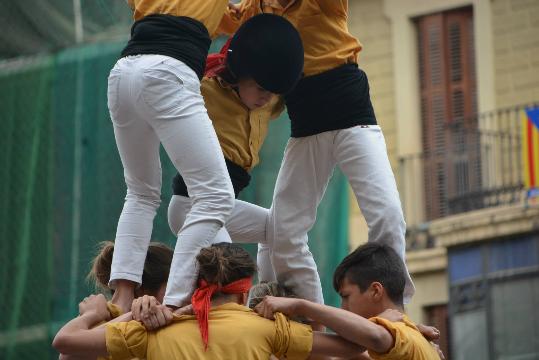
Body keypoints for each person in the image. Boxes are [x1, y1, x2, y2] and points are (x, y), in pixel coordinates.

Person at [109, 2, 304, 312]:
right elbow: (240, 21)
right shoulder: (214, 84)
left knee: (141, 193)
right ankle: (174, 303)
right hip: (168, 69)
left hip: (125, 71)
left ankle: (121, 297)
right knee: (215, 196)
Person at [220, 0, 415, 305]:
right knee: (283, 230)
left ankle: (394, 306)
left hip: (354, 121)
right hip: (307, 130)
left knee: (387, 215)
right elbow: (217, 16)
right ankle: (309, 318)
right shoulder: (256, 9)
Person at [168, 12, 305, 283]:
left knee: (277, 228)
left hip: (224, 206)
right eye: (259, 87)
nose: (265, 97)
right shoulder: (206, 90)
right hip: (191, 205)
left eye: (272, 91)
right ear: (239, 74)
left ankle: (266, 296)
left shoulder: (270, 102)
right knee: (230, 268)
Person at [53, 243, 364, 360]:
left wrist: (98, 314)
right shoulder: (269, 330)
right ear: (244, 293)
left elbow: (67, 343)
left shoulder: (147, 334)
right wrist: (303, 308)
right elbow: (358, 344)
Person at [255, 243, 441, 360]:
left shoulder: (400, 333)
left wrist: (301, 306)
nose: (343, 307)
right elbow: (353, 348)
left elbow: (373, 337)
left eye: (346, 296)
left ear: (375, 291)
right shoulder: (408, 334)